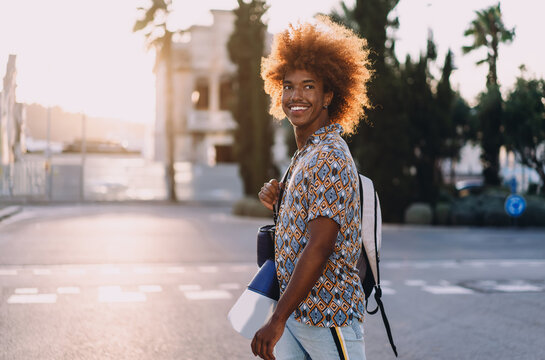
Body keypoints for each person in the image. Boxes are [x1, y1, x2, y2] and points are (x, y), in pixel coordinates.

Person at [254, 16, 373, 360]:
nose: (296, 96)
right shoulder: (306, 153)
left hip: (327, 317)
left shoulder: (328, 157)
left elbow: (320, 246)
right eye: (288, 86)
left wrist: (276, 320)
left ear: (329, 95)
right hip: (297, 315)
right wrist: (279, 200)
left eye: (309, 86)